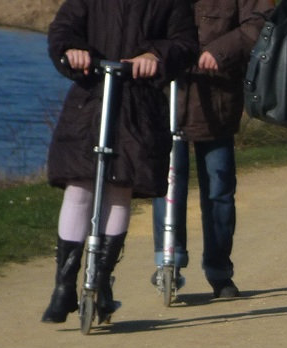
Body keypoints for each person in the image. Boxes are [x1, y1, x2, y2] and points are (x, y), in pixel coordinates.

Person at [41, 0, 199, 324]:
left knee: (120, 187)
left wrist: (156, 56)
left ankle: (99, 280)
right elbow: (62, 30)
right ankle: (64, 286)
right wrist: (72, 49)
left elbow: (185, 44)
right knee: (79, 186)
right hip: (91, 99)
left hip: (138, 107)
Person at [150, 0, 272, 299]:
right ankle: (170, 261)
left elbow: (259, 22)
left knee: (219, 190)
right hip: (165, 97)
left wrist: (219, 51)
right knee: (167, 186)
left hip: (217, 99)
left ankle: (219, 271)